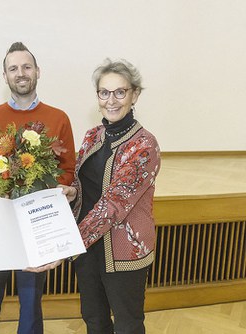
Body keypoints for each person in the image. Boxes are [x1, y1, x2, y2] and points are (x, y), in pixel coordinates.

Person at [0, 42, 76, 334]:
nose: (21, 73)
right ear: (4, 76)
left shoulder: (58, 118)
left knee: (31, 300)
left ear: (37, 71)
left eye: (26, 67)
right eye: (13, 68)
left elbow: (67, 170)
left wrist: (49, 193)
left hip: (37, 221)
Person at [59, 58, 161, 333]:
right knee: (94, 319)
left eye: (120, 92)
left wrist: (69, 244)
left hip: (123, 249)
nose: (111, 100)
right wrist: (71, 191)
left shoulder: (145, 144)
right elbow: (86, 184)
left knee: (128, 324)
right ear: (98, 96)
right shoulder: (93, 135)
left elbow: (115, 203)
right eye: (104, 92)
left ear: (134, 94)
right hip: (89, 249)